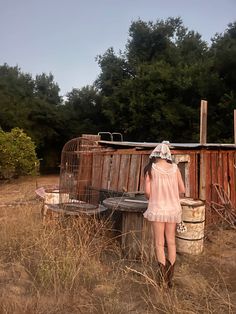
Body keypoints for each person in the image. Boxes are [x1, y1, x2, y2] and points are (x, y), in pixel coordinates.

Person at [143, 141, 185, 288]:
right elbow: (182, 190)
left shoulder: (150, 169)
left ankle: (162, 280)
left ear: (155, 154)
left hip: (158, 209)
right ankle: (170, 279)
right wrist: (170, 192)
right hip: (173, 209)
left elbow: (148, 193)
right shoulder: (175, 169)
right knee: (171, 242)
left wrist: (155, 195)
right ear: (167, 154)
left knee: (159, 243)